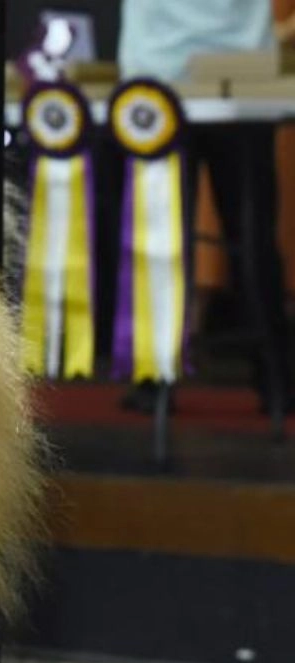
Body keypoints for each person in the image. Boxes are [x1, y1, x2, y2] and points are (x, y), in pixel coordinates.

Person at [118, 0, 292, 415]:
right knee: (249, 234)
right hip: (229, 66)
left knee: (169, 232)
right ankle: (275, 378)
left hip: (177, 71)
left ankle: (157, 378)